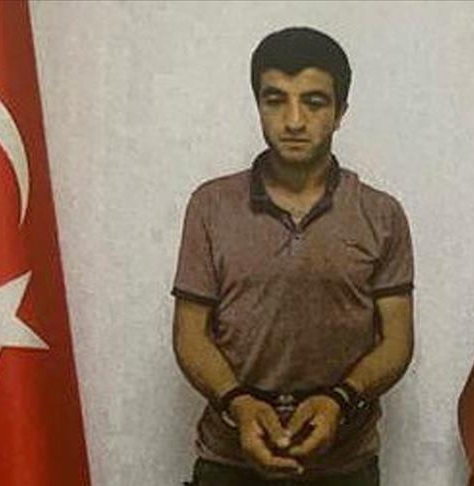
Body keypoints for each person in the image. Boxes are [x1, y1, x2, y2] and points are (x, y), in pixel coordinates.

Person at [172, 26, 414, 486]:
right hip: (229, 461)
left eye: (314, 102)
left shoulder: (381, 215)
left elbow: (396, 342)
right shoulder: (210, 206)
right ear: (258, 105)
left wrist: (340, 400)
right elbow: (190, 335)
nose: (295, 120)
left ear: (340, 112)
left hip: (345, 465)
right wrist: (239, 404)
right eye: (276, 100)